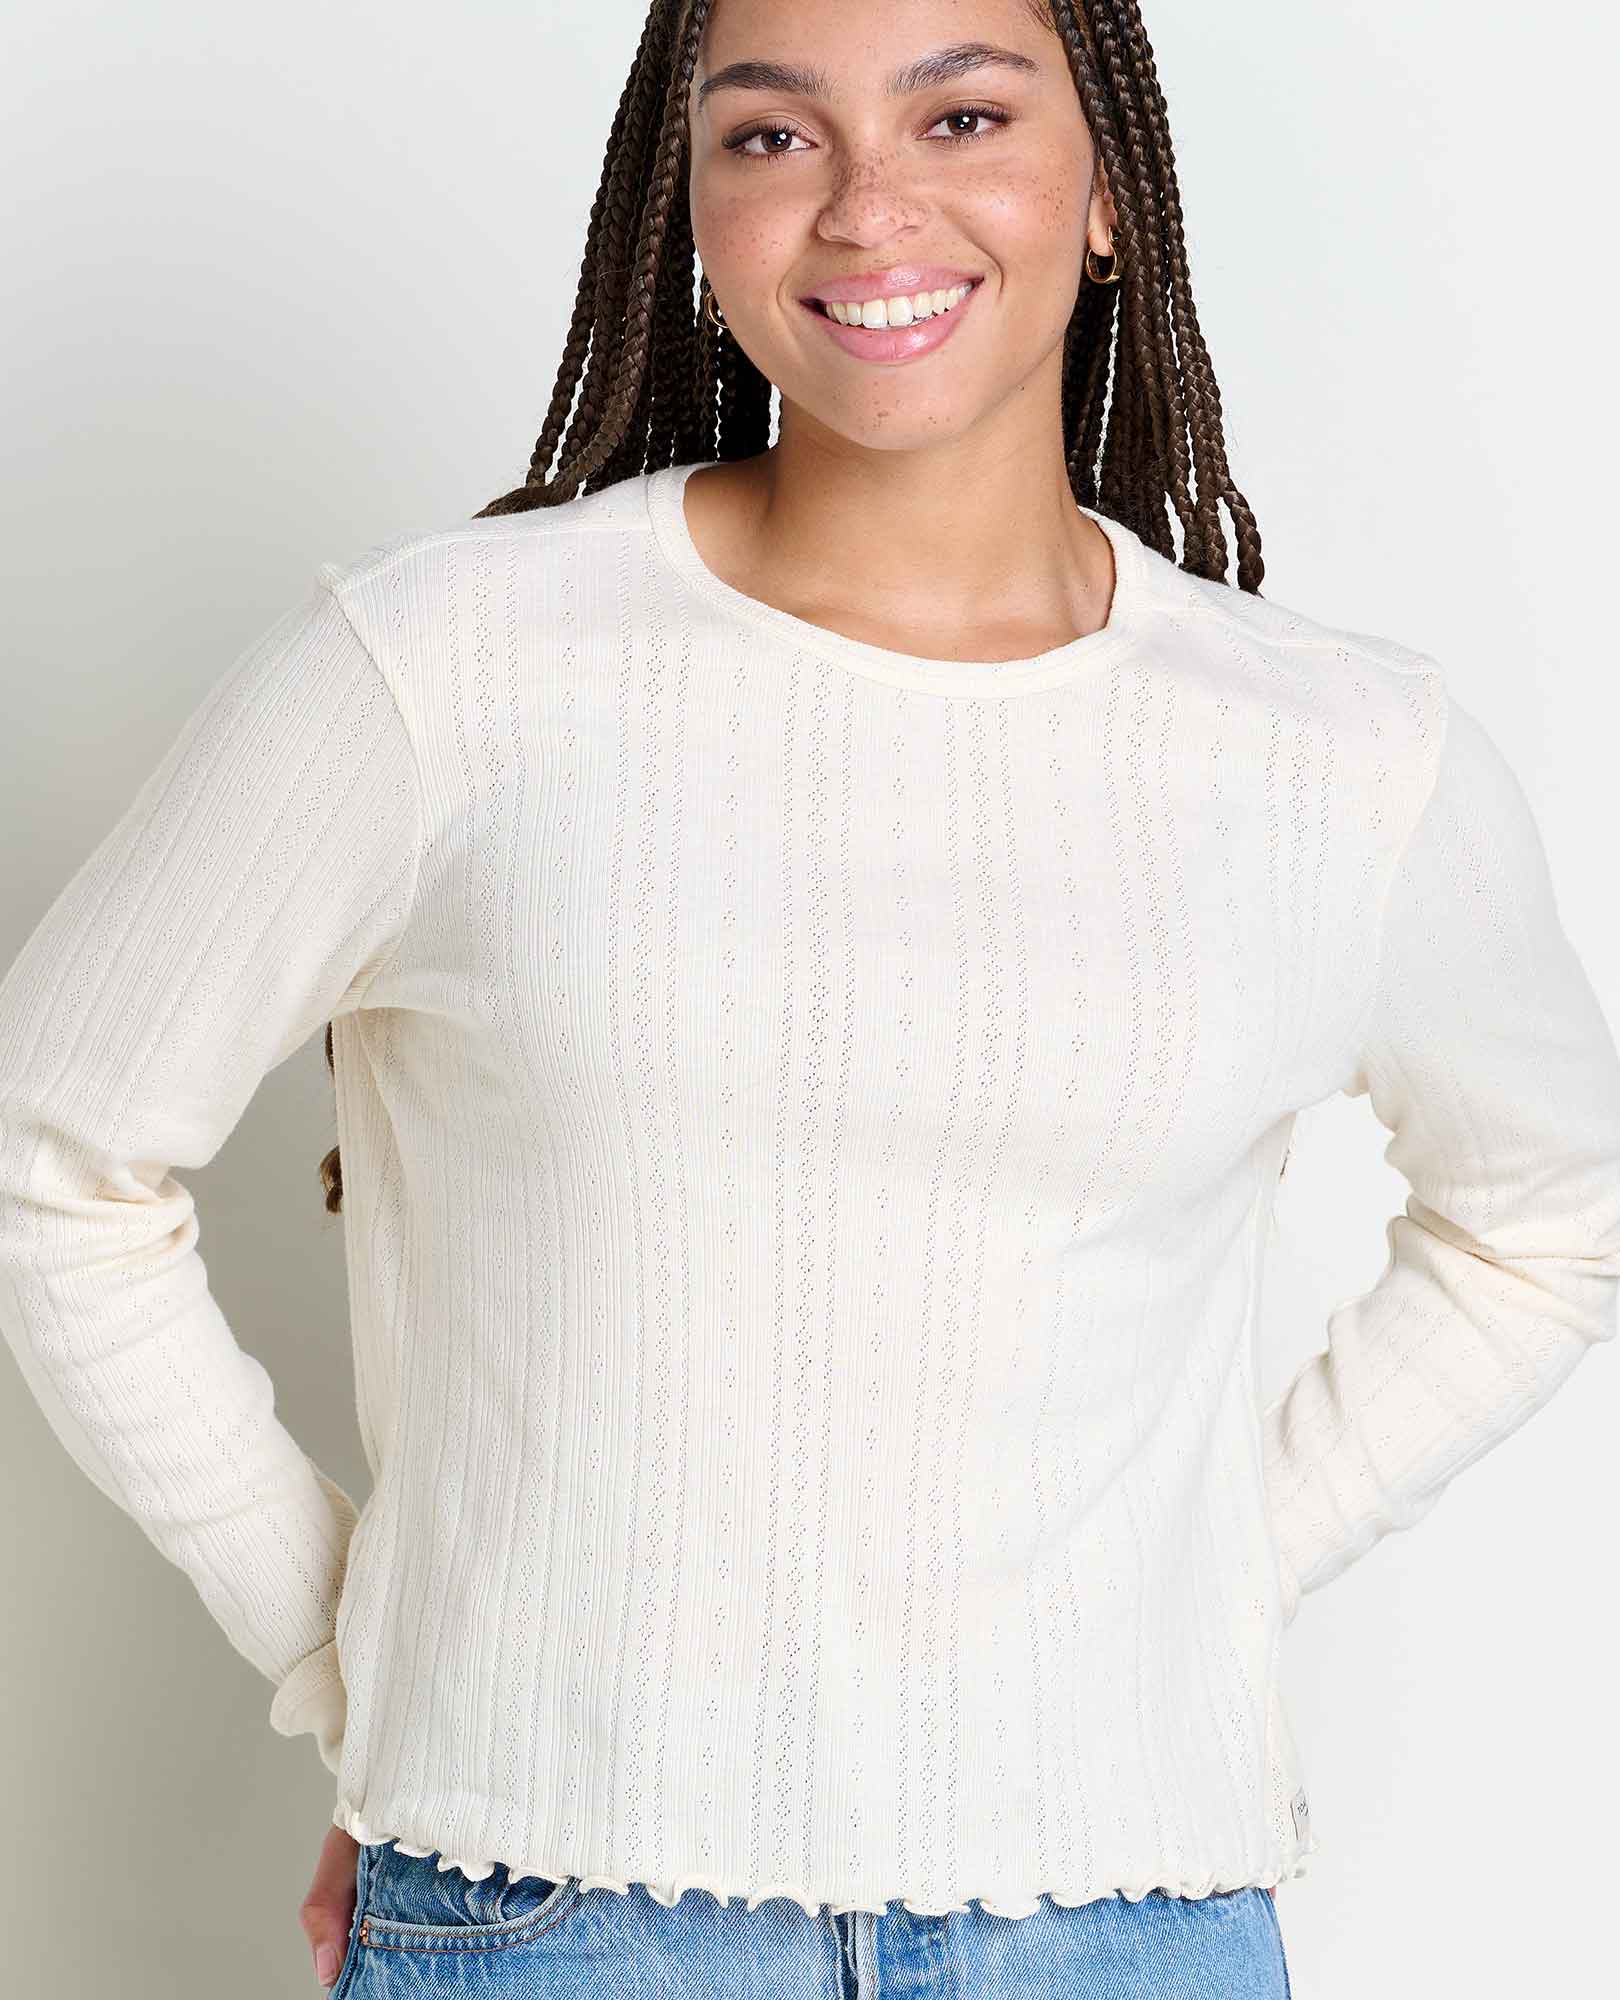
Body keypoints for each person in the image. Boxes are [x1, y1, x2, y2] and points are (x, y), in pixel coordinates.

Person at [2, 0, 1617, 1994]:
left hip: (1127, 1925)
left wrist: (1207, 1576)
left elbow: (1550, 1213)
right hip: (558, 1916)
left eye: (963, 116)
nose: (867, 207)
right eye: (774, 137)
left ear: (1110, 186)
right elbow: (53, 1152)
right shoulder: (447, 670)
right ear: (688, 202)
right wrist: (356, 1651)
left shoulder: (1336, 755)